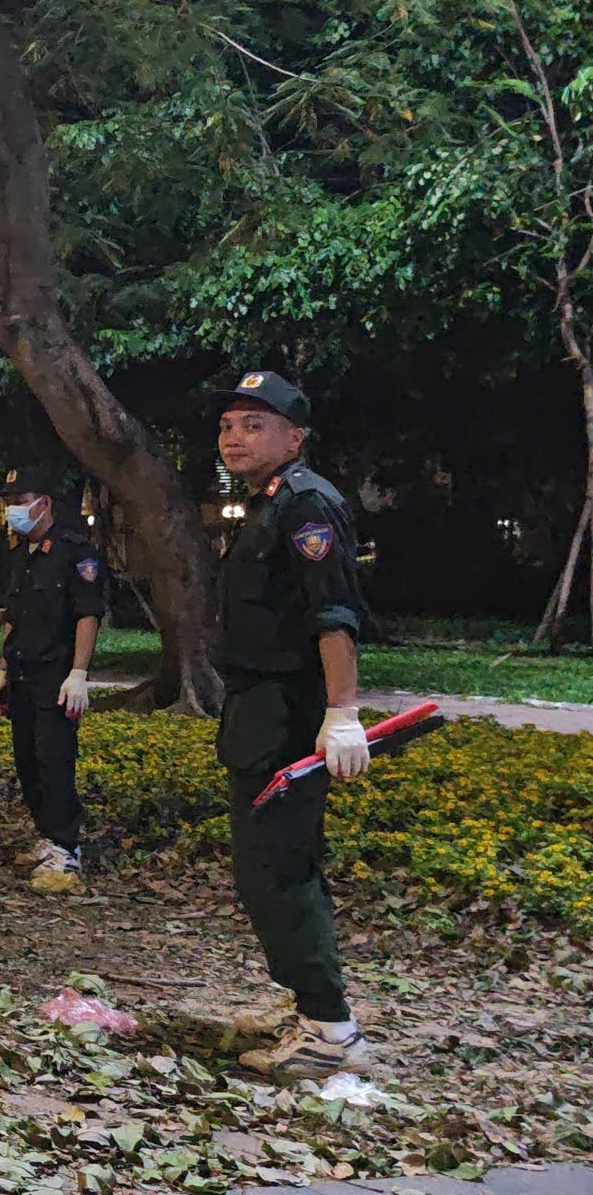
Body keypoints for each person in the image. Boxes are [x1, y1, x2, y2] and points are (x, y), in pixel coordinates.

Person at [208, 371, 376, 1080]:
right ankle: (308, 1007)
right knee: (269, 865)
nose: (234, 438)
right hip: (259, 710)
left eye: (254, 425)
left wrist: (342, 712)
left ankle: (331, 1033)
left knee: (279, 869)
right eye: (226, 426)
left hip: (289, 714)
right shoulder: (269, 506)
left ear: (294, 437)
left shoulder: (306, 505)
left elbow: (333, 615)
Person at [0, 466, 105, 890]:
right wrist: (1, 672)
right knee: (28, 760)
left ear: (45, 504)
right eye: (9, 502)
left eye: (21, 501)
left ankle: (66, 847)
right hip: (22, 671)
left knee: (55, 759)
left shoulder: (76, 552)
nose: (13, 510)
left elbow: (88, 614)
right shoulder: (21, 555)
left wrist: (78, 673)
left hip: (56, 675)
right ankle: (46, 835)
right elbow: (12, 616)